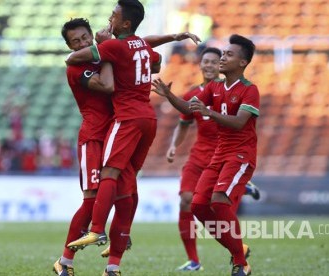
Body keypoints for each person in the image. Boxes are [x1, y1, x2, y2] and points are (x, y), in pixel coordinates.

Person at [54, 16, 200, 276]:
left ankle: (113, 267)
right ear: (70, 46)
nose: (81, 43)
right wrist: (111, 53)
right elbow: (108, 85)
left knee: (126, 198)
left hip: (120, 133)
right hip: (94, 139)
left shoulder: (112, 53)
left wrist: (173, 38)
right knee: (91, 201)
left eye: (85, 38)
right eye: (75, 41)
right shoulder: (78, 68)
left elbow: (144, 50)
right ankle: (65, 262)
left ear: (91, 36)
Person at [152, 34, 259, 276]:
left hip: (239, 155)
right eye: (222, 54)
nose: (222, 59)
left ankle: (239, 262)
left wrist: (209, 112)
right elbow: (190, 110)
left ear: (242, 63)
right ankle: (236, 253)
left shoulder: (249, 90)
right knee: (198, 205)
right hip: (216, 156)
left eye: (228, 55)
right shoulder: (214, 87)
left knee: (219, 202)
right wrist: (168, 95)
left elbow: (240, 123)